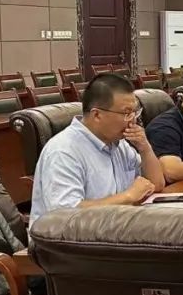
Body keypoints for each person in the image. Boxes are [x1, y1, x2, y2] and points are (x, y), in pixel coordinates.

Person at [30, 74, 166, 224]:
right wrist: (128, 196)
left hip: (115, 228)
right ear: (96, 115)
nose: (133, 120)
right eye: (127, 113)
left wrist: (145, 148)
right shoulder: (63, 151)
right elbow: (65, 216)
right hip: (70, 237)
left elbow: (156, 184)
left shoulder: (119, 144)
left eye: (135, 112)